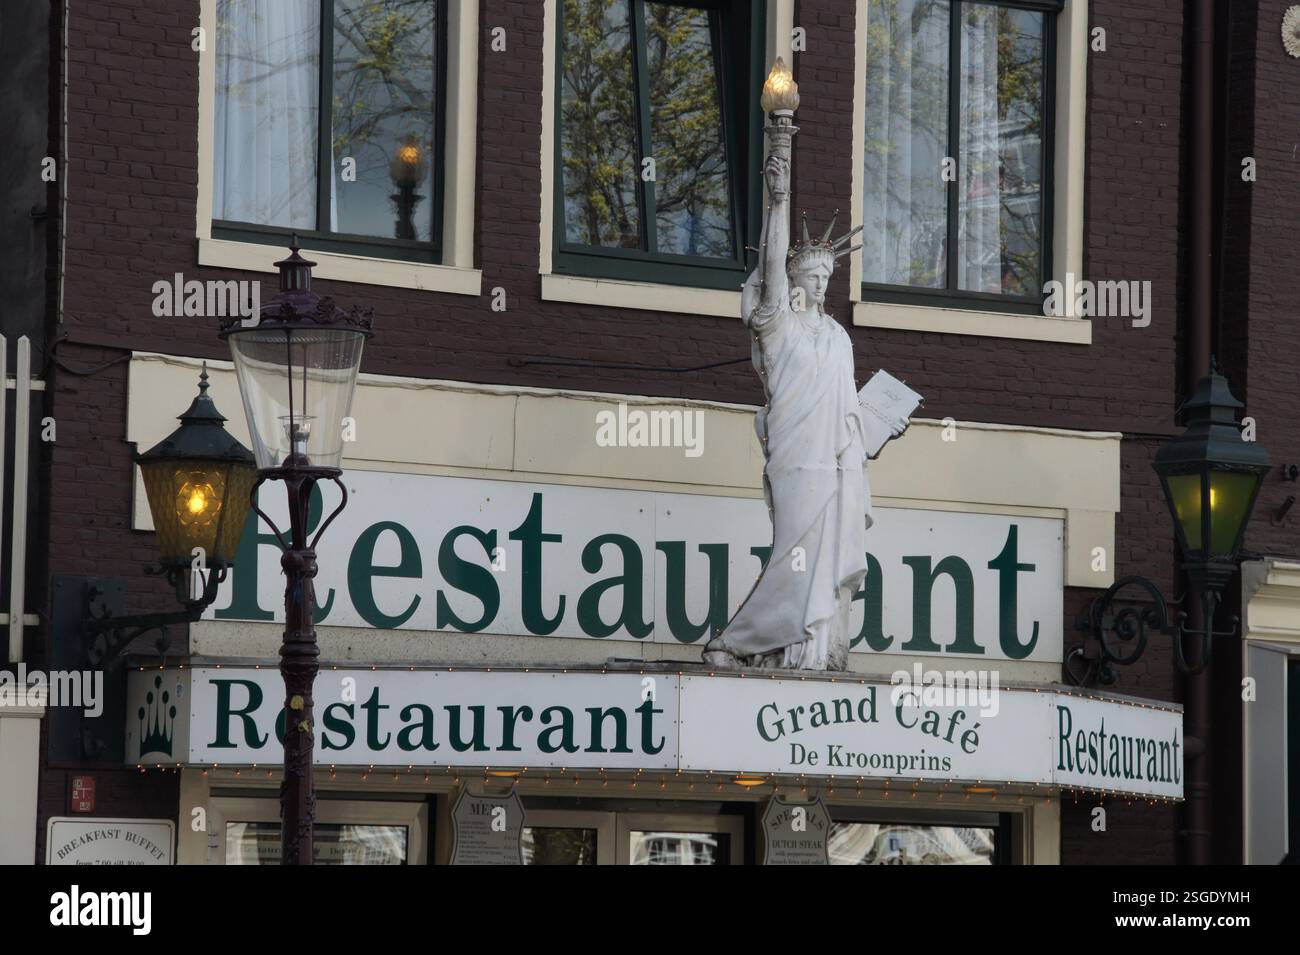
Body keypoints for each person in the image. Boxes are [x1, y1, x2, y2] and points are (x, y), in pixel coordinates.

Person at [702, 152, 906, 670]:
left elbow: (847, 409)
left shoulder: (839, 337)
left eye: (826, 275)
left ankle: (813, 651)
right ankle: (739, 642)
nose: (820, 284)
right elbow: (770, 271)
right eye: (811, 275)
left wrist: (876, 428)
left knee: (825, 560)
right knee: (793, 559)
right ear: (792, 279)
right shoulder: (778, 326)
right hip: (796, 459)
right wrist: (777, 201)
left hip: (837, 464)